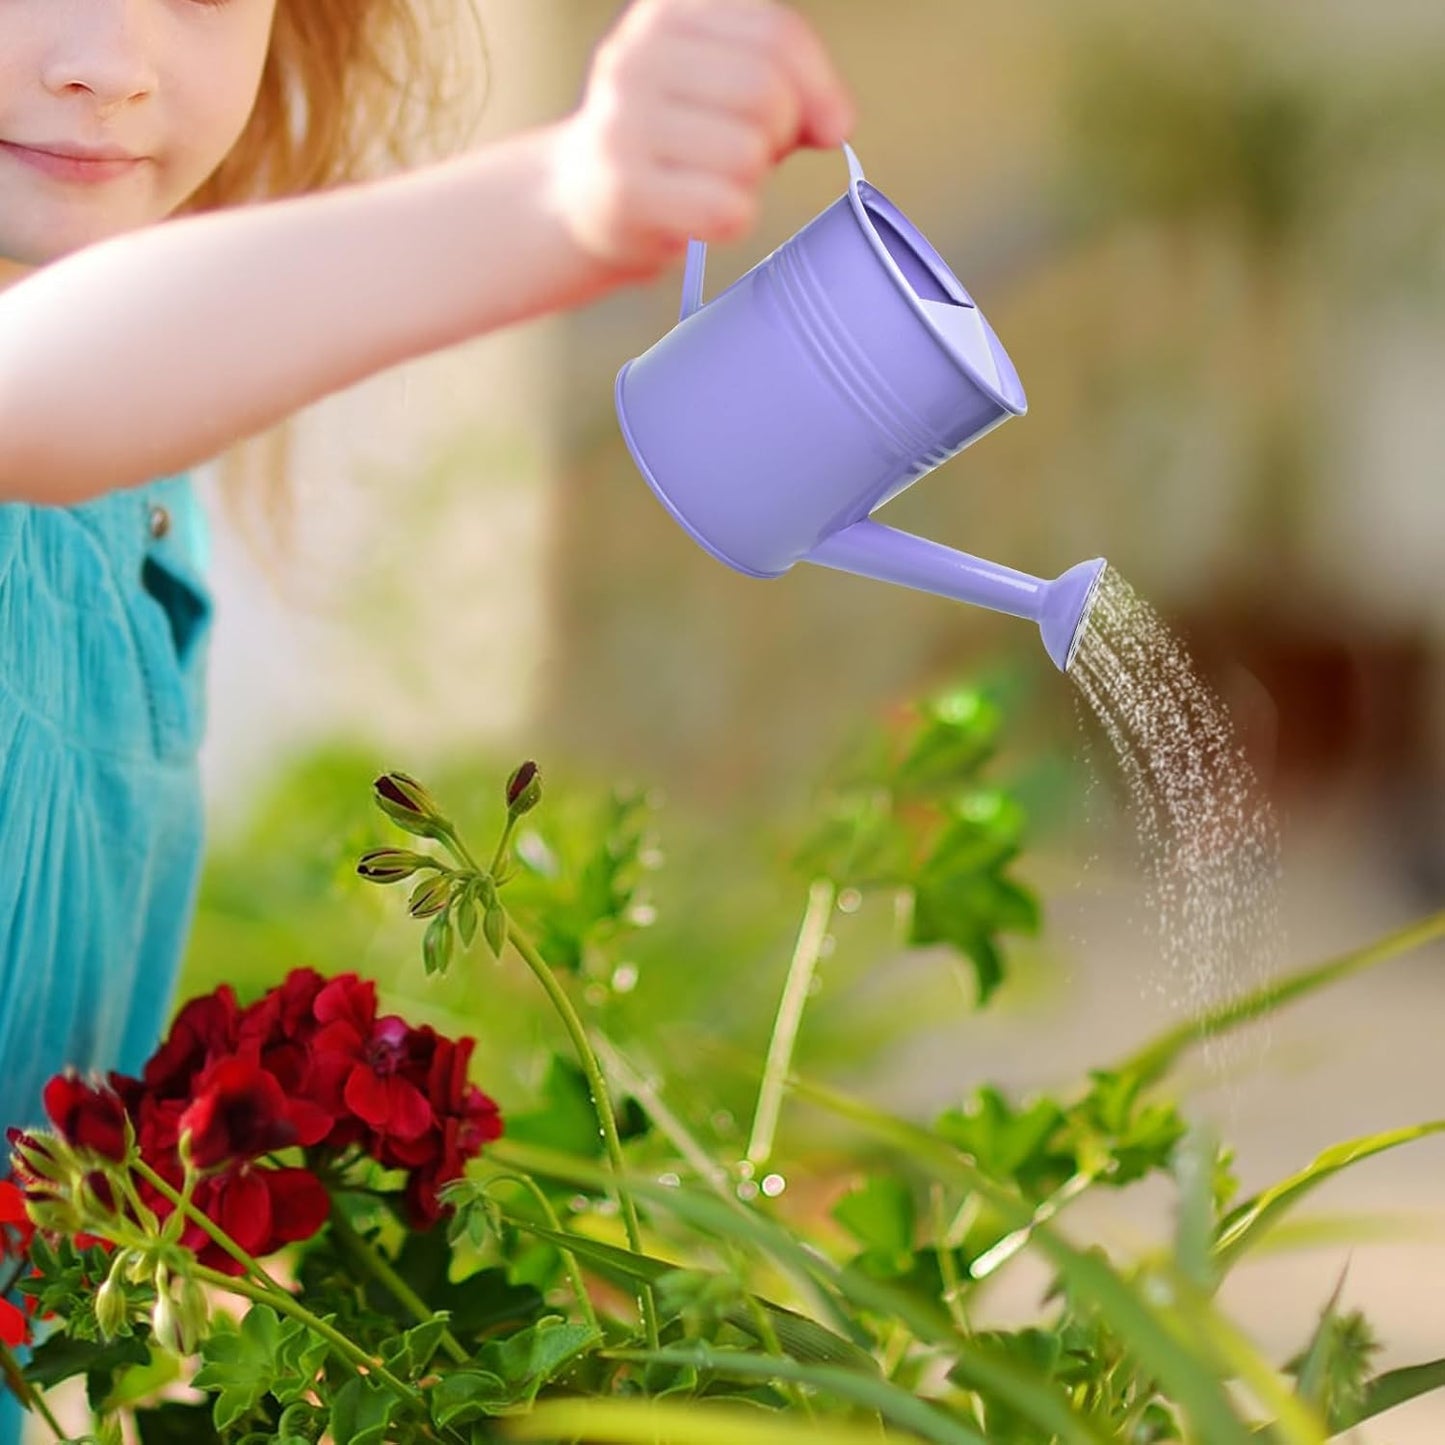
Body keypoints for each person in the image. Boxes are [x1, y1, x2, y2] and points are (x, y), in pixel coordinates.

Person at [0, 0, 852, 1429]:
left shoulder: (128, 470)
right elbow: (36, 382)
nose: (110, 62)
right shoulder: (63, 391)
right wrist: (562, 200)